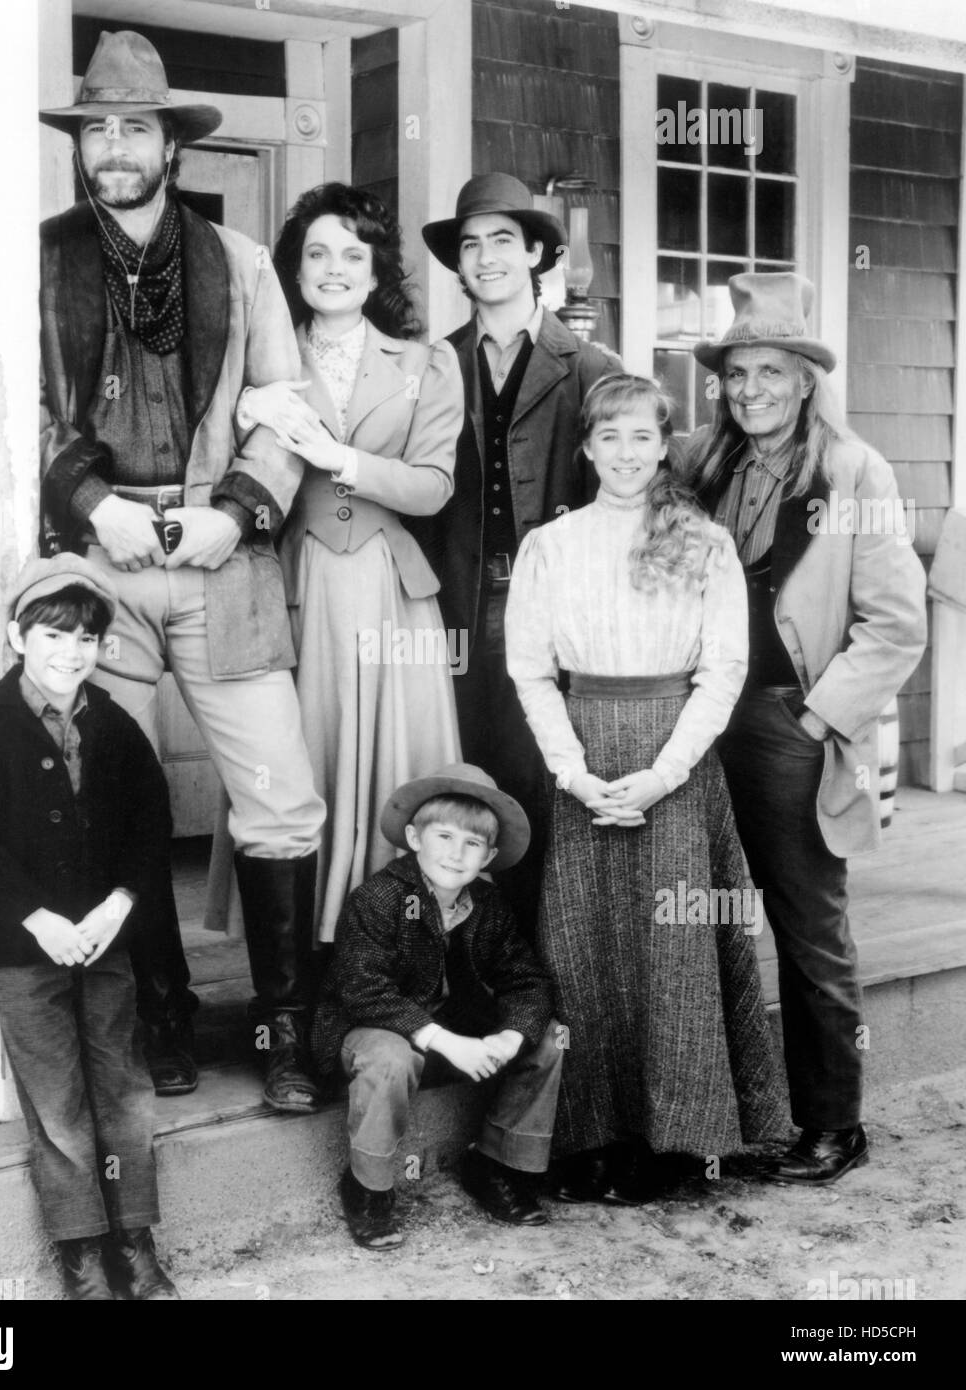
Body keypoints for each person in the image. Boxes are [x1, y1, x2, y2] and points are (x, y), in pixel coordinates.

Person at [38, 30, 326, 1111]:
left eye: (135, 128)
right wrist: (94, 503)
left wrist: (240, 509)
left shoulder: (239, 263)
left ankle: (284, 1027)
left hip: (219, 555)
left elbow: (284, 412)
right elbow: (18, 412)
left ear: (170, 143)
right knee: (110, 794)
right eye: (97, 128)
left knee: (278, 795)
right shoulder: (45, 257)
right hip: (97, 562)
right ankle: (159, 1012)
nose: (114, 146)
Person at [506, 373, 787, 1205]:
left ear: (664, 445)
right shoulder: (550, 547)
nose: (625, 454)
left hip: (676, 760)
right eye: (609, 436)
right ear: (587, 446)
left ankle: (681, 1139)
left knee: (677, 947)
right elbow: (529, 670)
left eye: (642, 437)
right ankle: (592, 1135)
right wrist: (574, 771)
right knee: (584, 949)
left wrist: (666, 773)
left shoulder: (702, 542)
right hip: (586, 758)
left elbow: (724, 667)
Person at [687, 273, 927, 1184]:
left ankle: (836, 1122)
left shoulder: (852, 471)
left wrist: (819, 715)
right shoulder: (705, 464)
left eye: (770, 374)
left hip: (792, 720)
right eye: (736, 374)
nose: (750, 390)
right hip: (704, 719)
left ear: (805, 380)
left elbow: (897, 625)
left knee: (806, 924)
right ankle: (723, 1113)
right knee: (701, 914)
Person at [207, 183, 464, 943]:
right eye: (317, 253)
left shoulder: (427, 364)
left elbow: (435, 486)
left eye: (354, 254)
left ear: (379, 272)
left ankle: (391, 945)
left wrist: (340, 457)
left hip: (391, 587)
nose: (334, 268)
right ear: (296, 269)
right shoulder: (260, 355)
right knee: (291, 755)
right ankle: (300, 965)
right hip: (293, 579)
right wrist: (244, 409)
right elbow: (218, 457)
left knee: (395, 764)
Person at [0, 555, 178, 1300]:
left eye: (85, 639)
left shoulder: (115, 727)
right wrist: (40, 919)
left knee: (121, 1085)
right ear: (18, 636)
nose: (70, 653)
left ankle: (133, 1240)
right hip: (25, 947)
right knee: (56, 1100)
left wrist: (116, 906)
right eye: (52, 635)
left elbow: (150, 826)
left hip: (103, 942)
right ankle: (80, 1250)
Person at [414, 174, 622, 939]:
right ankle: (474, 960)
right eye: (470, 244)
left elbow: (627, 500)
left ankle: (546, 972)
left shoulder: (590, 366)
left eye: (503, 239)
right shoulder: (435, 365)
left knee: (546, 784)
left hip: (553, 616)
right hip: (459, 608)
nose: (485, 256)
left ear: (537, 252)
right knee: (470, 783)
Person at [311, 764, 564, 1249]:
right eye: (443, 836)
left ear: (489, 854)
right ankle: (369, 1187)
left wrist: (510, 1037)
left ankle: (494, 1164)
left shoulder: (487, 905)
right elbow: (365, 992)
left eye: (472, 844)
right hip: (372, 1028)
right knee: (389, 1058)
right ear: (413, 837)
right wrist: (448, 1043)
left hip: (450, 1033)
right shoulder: (379, 898)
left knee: (549, 1036)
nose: (455, 853)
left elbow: (526, 980)